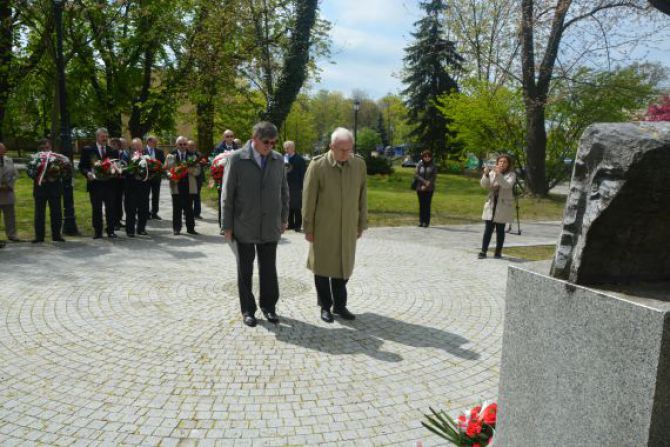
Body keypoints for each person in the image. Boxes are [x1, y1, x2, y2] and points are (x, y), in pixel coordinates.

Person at [222, 121, 289, 327]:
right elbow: (227, 194)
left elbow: (284, 191)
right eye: (266, 142)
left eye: (274, 142)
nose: (270, 146)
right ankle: (248, 310)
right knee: (245, 270)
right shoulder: (237, 159)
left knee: (269, 268)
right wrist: (227, 225)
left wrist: (284, 218)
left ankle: (269, 306)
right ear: (254, 139)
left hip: (270, 224)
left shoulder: (278, 160)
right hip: (244, 224)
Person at [302, 127, 367, 323]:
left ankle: (340, 305)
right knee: (322, 268)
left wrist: (361, 223)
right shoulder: (318, 165)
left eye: (349, 149)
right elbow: (308, 199)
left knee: (343, 267)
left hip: (348, 227)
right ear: (331, 146)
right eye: (341, 149)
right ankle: (325, 306)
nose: (346, 153)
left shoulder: (358, 165)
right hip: (324, 227)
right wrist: (308, 228)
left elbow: (363, 195)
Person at [79, 127, 119, 239]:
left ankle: (111, 230)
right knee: (96, 208)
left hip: (109, 184)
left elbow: (117, 165)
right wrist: (87, 173)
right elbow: (82, 166)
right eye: (103, 137)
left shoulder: (112, 151)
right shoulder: (88, 150)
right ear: (97, 137)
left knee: (111, 208)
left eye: (106, 137)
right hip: (95, 185)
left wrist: (115, 170)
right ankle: (98, 231)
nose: (105, 139)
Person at [478, 154, 516, 259]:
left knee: (500, 230)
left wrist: (498, 175)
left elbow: (507, 185)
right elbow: (484, 185)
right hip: (491, 203)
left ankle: (498, 252)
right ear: (497, 163)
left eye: (505, 162)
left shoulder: (511, 175)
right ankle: (483, 251)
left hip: (503, 205)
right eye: (500, 162)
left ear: (508, 164)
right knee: (488, 229)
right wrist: (486, 175)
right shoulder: (492, 173)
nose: (502, 164)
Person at [32, 139, 65, 243]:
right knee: (39, 214)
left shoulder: (57, 157)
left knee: (56, 213)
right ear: (39, 148)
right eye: (43, 148)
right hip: (40, 189)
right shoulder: (35, 158)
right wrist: (39, 177)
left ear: (51, 147)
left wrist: (56, 175)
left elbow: (64, 171)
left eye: (47, 147)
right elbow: (30, 171)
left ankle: (56, 236)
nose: (45, 149)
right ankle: (39, 237)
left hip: (55, 189)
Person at [165, 136, 198, 236]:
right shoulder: (171, 156)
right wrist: (170, 175)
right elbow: (166, 169)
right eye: (180, 144)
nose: (183, 146)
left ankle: (190, 228)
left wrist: (188, 170)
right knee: (177, 208)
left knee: (189, 208)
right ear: (176, 145)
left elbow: (197, 171)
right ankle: (176, 228)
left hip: (189, 185)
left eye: (185, 144)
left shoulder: (193, 156)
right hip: (176, 184)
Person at [122, 138, 150, 237]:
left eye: (139, 145)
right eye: (135, 145)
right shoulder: (126, 154)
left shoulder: (146, 155)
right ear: (132, 146)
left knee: (144, 209)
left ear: (142, 146)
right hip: (131, 186)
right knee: (131, 209)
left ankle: (141, 229)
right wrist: (131, 169)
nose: (138, 147)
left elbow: (151, 168)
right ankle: (130, 230)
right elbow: (123, 168)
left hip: (144, 186)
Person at [212, 130, 238, 225]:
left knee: (235, 201)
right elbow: (214, 163)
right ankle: (222, 223)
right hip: (222, 178)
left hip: (235, 179)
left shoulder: (238, 148)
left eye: (231, 136)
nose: (229, 138)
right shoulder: (218, 148)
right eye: (227, 136)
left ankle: (234, 224)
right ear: (224, 137)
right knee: (222, 201)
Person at [283, 140, 306, 232]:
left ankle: (298, 225)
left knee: (296, 206)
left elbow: (303, 174)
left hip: (296, 185)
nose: (286, 149)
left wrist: (302, 186)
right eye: (285, 148)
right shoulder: (283, 158)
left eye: (287, 148)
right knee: (288, 205)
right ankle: (290, 224)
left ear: (292, 148)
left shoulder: (300, 159)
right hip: (286, 185)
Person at [0, 142, 20, 243]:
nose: (2, 151)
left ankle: (12, 235)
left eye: (3, 149)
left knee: (10, 216)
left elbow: (15, 175)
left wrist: (9, 185)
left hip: (8, 192)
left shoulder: (9, 160)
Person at [414, 150, 437, 227]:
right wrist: (423, 182)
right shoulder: (419, 164)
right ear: (423, 157)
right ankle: (421, 221)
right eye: (425, 156)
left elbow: (433, 177)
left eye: (428, 156)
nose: (427, 158)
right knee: (421, 205)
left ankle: (426, 222)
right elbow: (416, 175)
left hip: (429, 189)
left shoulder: (433, 165)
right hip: (420, 188)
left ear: (431, 157)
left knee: (427, 205)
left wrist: (427, 184)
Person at [144, 136, 165, 220]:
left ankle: (154, 213)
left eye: (156, 142)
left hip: (156, 176)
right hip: (146, 176)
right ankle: (146, 213)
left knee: (156, 195)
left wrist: (159, 165)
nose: (155, 143)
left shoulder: (159, 151)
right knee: (145, 195)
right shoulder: (142, 151)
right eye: (154, 141)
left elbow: (163, 162)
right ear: (148, 142)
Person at [110, 137, 126, 230]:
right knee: (113, 202)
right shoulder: (109, 154)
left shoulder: (121, 154)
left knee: (119, 202)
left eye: (115, 144)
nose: (114, 146)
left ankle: (118, 220)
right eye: (112, 144)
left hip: (120, 182)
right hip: (112, 182)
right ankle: (114, 222)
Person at [187, 140, 205, 219]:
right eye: (190, 146)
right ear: (187, 146)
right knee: (188, 196)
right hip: (188, 178)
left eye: (193, 146)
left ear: (195, 146)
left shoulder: (199, 154)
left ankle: (197, 213)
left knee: (197, 196)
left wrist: (203, 163)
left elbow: (203, 164)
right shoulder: (185, 154)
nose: (191, 147)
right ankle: (187, 212)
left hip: (198, 178)